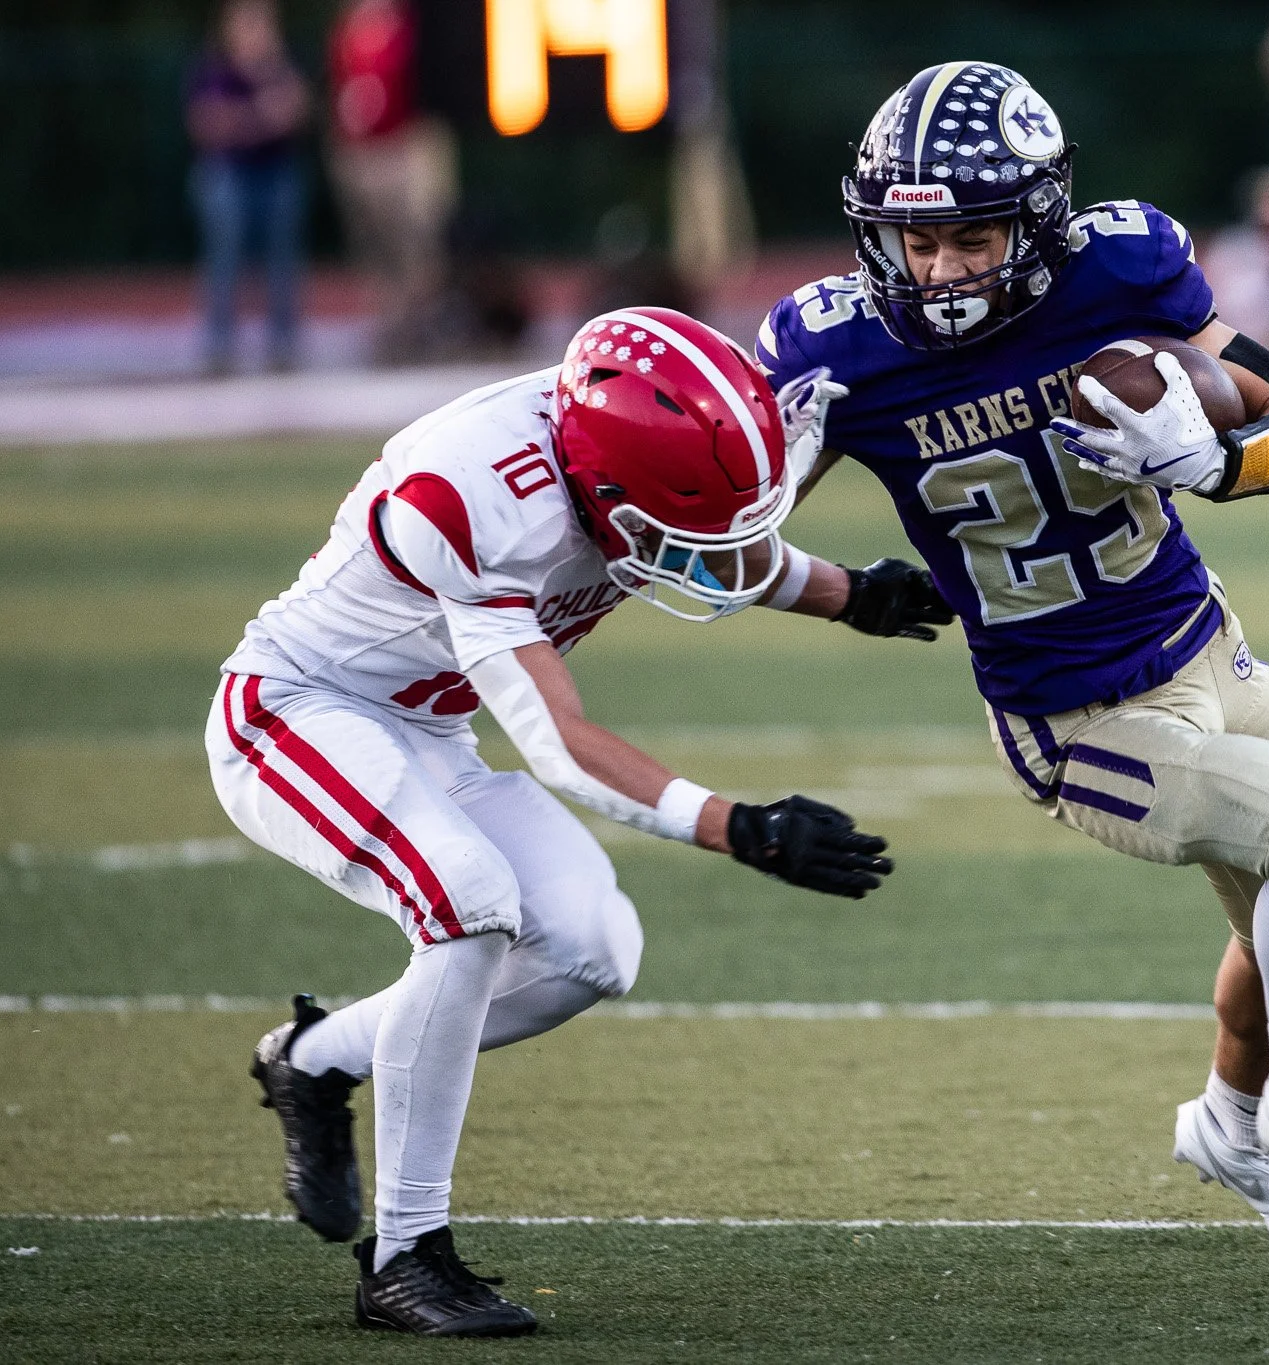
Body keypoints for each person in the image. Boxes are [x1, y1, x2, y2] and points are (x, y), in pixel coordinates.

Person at [757, 62, 1269, 1248]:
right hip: (1072, 720)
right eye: (909, 242)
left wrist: (1214, 468)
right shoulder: (838, 347)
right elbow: (722, 533)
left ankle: (1230, 1127)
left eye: (968, 236)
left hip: (1200, 642)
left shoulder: (1118, 272)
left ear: (1036, 219)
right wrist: (831, 590)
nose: (935, 272)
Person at [211, 307, 949, 1336]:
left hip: (429, 732)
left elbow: (698, 543)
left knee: (591, 950)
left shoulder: (615, 453)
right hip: (297, 716)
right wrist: (739, 827)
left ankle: (317, 1057)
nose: (701, 553)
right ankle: (405, 1258)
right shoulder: (470, 496)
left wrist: (846, 594)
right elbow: (555, 742)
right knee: (467, 911)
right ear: (604, 491)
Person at [325, 0, 458, 363]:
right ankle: (390, 324)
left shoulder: (413, 28)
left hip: (403, 149)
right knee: (376, 248)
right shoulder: (346, 31)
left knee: (416, 245)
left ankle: (421, 323)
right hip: (361, 154)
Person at [185, 0, 311, 373]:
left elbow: (298, 111)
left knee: (282, 260)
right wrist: (262, 116)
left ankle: (283, 345)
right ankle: (219, 346)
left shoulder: (280, 67)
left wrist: (244, 117)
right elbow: (207, 126)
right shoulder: (212, 71)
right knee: (224, 258)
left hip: (276, 172)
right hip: (228, 176)